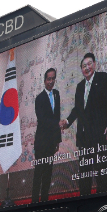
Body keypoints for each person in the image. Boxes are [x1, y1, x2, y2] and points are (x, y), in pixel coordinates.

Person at [60, 53, 107, 196]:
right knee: (84, 171)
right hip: (83, 136)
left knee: (100, 169)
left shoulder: (103, 78)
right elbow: (77, 109)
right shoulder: (79, 87)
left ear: (95, 64)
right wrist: (67, 121)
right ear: (81, 69)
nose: (87, 68)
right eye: (84, 66)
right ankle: (84, 199)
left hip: (98, 133)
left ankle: (101, 197)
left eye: (89, 64)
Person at [32, 68, 62, 203]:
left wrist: (57, 141)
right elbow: (42, 120)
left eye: (53, 78)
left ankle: (44, 200)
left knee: (48, 173)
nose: (51, 81)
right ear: (44, 81)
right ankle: (34, 201)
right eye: (48, 79)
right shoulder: (39, 98)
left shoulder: (57, 94)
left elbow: (57, 115)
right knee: (39, 173)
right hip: (41, 142)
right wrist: (57, 124)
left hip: (51, 143)